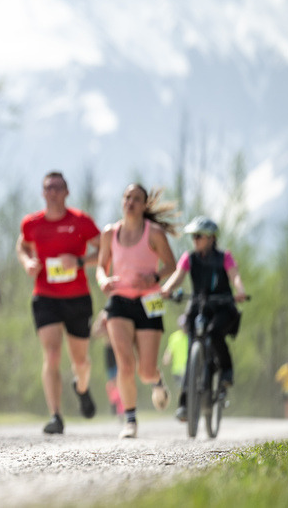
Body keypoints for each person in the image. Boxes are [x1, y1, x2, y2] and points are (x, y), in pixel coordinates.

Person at [16, 171, 101, 435]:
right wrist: (28, 262)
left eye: (58, 187)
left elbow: (104, 250)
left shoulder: (81, 221)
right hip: (45, 297)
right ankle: (55, 416)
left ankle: (81, 387)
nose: (52, 192)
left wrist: (80, 261)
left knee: (81, 362)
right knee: (51, 355)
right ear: (43, 193)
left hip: (77, 298)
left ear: (67, 192)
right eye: (48, 188)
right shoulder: (31, 223)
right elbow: (22, 246)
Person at [95, 183, 178, 439]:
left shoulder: (154, 233)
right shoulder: (109, 233)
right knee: (125, 364)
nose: (130, 202)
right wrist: (103, 280)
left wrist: (155, 277)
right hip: (119, 301)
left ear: (144, 205)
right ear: (122, 201)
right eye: (127, 197)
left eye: (136, 199)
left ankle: (157, 380)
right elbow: (100, 266)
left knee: (145, 371)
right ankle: (130, 420)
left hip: (150, 301)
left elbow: (171, 265)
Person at [161, 216, 247, 423]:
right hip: (199, 306)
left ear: (211, 238)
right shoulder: (189, 258)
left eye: (199, 236)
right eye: (193, 236)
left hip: (222, 306)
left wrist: (240, 290)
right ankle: (184, 404)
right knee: (192, 348)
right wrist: (167, 288)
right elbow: (178, 275)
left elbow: (234, 276)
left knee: (214, 333)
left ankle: (226, 370)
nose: (195, 240)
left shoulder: (224, 257)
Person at [162, 315, 189, 392]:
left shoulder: (191, 337)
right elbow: (169, 350)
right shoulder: (174, 337)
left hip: (189, 368)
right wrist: (166, 358)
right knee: (181, 390)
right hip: (177, 370)